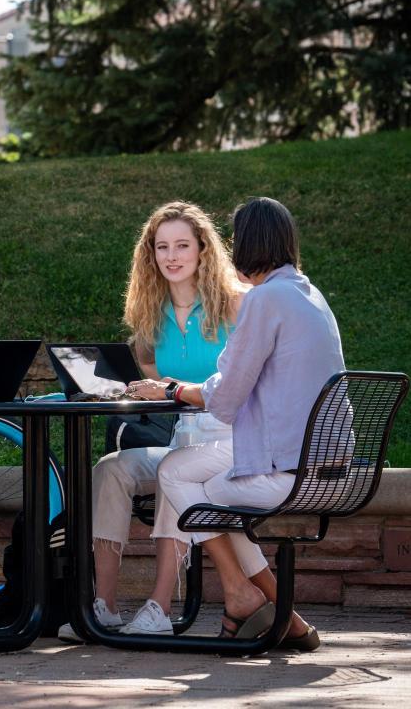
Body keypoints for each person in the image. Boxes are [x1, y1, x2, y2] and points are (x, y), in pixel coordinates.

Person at [129, 197, 342, 649]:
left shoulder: (265, 299)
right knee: (190, 478)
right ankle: (271, 608)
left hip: (288, 470)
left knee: (176, 476)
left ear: (248, 243)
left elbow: (225, 398)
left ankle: (245, 596)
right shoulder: (308, 292)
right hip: (326, 464)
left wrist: (171, 391)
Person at [59, 201, 244, 641]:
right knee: (111, 467)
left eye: (182, 245)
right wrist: (125, 387)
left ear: (203, 249)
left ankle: (159, 607)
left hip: (230, 439)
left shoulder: (235, 304)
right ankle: (102, 605)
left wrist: (173, 385)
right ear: (151, 254)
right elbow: (149, 374)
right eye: (162, 247)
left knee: (171, 471)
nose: (172, 256)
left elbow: (245, 380)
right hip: (183, 434)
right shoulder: (151, 312)